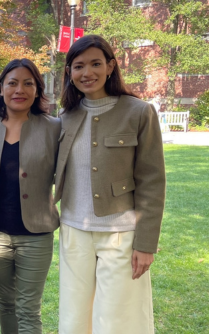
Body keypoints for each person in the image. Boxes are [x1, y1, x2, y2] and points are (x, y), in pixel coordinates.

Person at [55, 34, 166, 334]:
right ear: (69, 73)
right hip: (74, 232)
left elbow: (152, 182)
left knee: (119, 320)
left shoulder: (139, 112)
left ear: (110, 66)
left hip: (121, 234)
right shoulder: (64, 117)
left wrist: (145, 244)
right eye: (78, 66)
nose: (87, 73)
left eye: (95, 64)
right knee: (74, 318)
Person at [0, 59, 60, 334]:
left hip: (35, 234)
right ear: (1, 88)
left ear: (37, 89)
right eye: (12, 83)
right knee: (6, 303)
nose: (19, 89)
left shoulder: (54, 128)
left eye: (28, 83)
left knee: (28, 309)